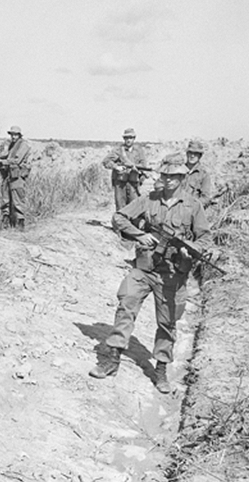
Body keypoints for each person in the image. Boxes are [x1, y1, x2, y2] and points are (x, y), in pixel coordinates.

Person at [88, 152, 211, 394]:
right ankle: (112, 359)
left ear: (181, 178)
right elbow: (119, 217)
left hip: (172, 275)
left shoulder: (193, 206)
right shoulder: (148, 199)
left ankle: (161, 369)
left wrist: (191, 251)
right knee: (126, 304)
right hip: (143, 268)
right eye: (163, 174)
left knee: (167, 323)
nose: (164, 179)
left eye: (170, 176)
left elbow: (205, 238)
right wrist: (139, 234)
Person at [0, 125, 32, 230]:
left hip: (17, 176)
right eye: (12, 134)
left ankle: (20, 223)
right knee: (5, 199)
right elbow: (6, 155)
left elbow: (16, 160)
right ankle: (5, 221)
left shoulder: (23, 145)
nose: (13, 137)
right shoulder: (12, 145)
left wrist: (2, 161)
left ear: (19, 135)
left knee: (18, 200)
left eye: (15, 134)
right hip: (8, 175)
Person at [102, 128, 148, 211]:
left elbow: (143, 165)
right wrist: (116, 167)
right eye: (126, 138)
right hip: (120, 183)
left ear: (134, 139)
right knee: (120, 207)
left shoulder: (139, 151)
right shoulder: (118, 151)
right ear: (124, 139)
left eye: (130, 138)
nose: (128, 140)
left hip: (133, 183)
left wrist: (134, 168)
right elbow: (106, 161)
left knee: (134, 207)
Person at [184, 140, 213, 208]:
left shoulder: (204, 175)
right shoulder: (179, 171)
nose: (192, 156)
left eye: (196, 153)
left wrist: (192, 207)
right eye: (190, 153)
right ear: (187, 154)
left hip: (193, 210)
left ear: (200, 156)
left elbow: (205, 198)